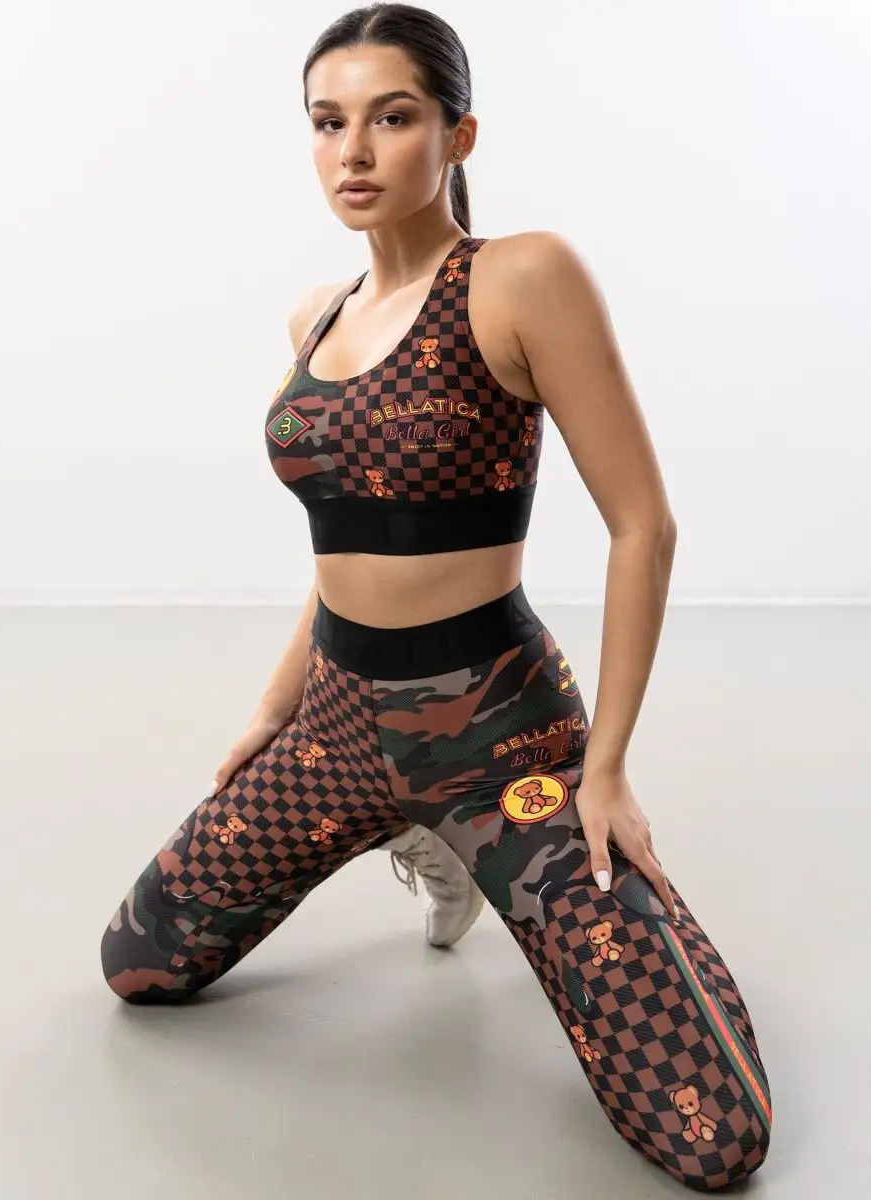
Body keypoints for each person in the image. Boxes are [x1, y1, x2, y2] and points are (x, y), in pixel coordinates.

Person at [100, 3, 772, 1190]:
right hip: (338, 721)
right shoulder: (315, 316)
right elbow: (341, 545)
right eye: (328, 123)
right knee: (138, 965)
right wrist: (276, 708)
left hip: (497, 729)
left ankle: (472, 838)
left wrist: (607, 767)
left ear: (459, 135)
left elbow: (644, 527)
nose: (352, 152)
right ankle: (410, 831)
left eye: (392, 118)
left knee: (716, 1140)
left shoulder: (519, 278)